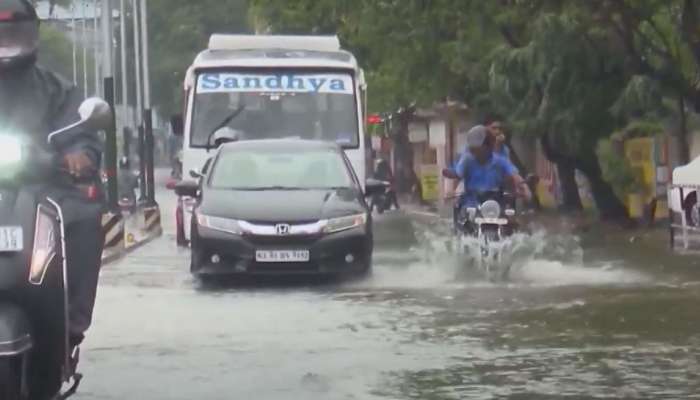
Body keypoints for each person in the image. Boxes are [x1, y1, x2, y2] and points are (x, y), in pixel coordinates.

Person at [0, 0, 103, 348]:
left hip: (40, 190)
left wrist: (80, 155)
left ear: (34, 35)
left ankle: (69, 322)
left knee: (85, 216)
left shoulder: (57, 90)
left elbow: (81, 132)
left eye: (15, 31)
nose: (6, 40)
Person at [445, 125, 531, 212]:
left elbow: (514, 175)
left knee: (510, 217)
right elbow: (458, 174)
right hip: (471, 204)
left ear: (490, 146)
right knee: (460, 212)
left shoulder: (501, 161)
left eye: (478, 147)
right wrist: (450, 190)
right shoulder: (467, 159)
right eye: (472, 148)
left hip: (496, 204)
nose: (475, 151)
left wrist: (524, 188)